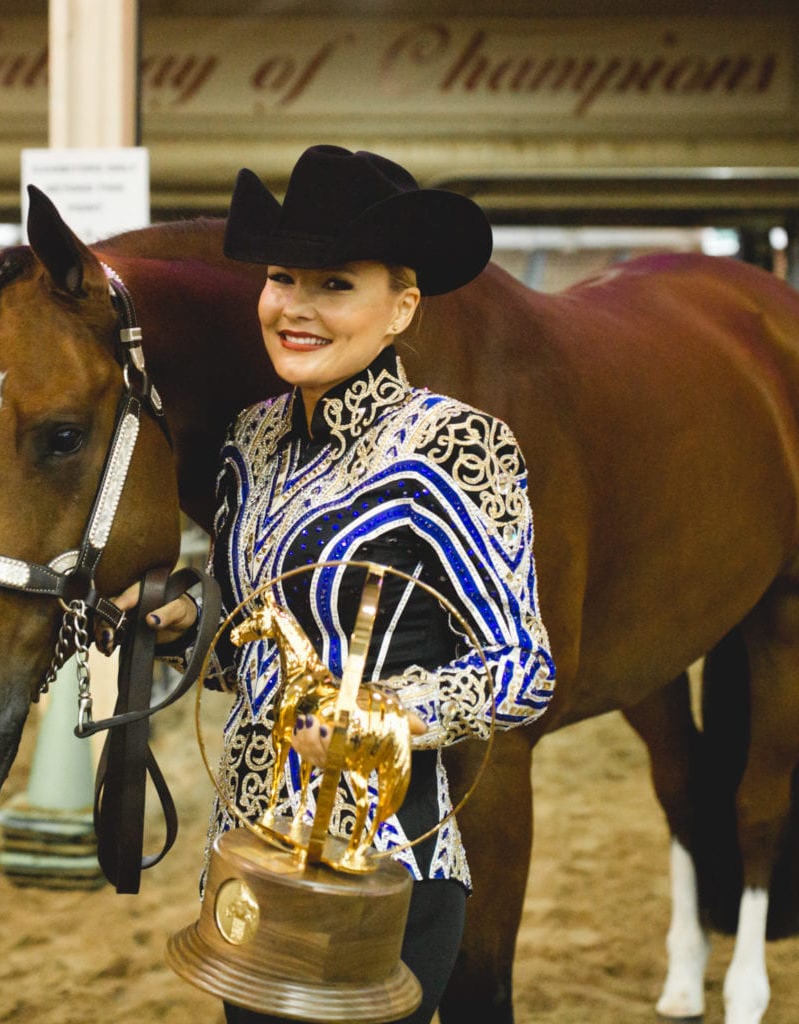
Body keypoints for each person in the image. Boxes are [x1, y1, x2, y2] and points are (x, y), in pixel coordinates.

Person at [116, 144, 556, 1024]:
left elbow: (525, 668)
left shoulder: (455, 451)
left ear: (402, 307)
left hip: (385, 876)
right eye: (284, 277)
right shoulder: (254, 438)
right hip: (253, 860)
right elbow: (255, 614)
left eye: (336, 285)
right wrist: (184, 619)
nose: (296, 308)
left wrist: (382, 717)